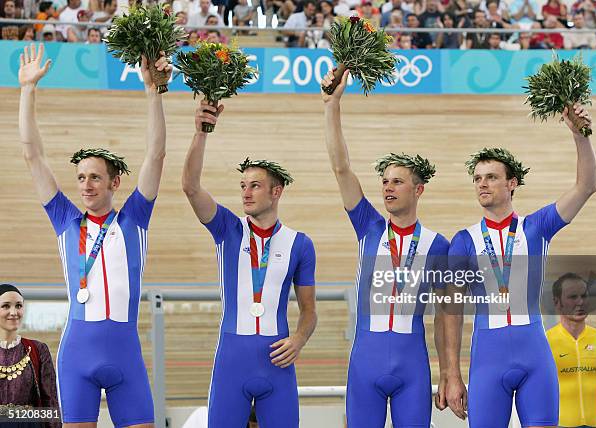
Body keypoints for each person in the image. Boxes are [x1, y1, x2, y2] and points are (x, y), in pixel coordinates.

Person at [18, 43, 171, 427]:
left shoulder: (134, 218)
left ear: (115, 182)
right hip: (77, 355)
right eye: (81, 177)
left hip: (126, 355)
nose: (86, 185)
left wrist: (153, 93)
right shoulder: (65, 219)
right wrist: (27, 90)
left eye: (95, 177)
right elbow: (33, 155)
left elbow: (155, 156)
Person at [444, 104, 596, 428]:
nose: (482, 184)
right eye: (477, 178)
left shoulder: (536, 227)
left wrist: (579, 135)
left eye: (491, 177)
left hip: (534, 355)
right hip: (487, 358)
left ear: (511, 183)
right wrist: (451, 373)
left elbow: (585, 187)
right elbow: (451, 311)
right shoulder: (463, 240)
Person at [321, 71, 449, 428]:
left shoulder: (439, 245)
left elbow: (445, 317)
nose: (388, 188)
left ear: (418, 189)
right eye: (384, 182)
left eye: (397, 182)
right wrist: (331, 104)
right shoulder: (369, 227)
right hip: (366, 361)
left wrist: (450, 371)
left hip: (413, 366)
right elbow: (340, 167)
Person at [182, 102, 317, 428]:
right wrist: (201, 133)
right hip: (232, 360)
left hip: (277, 363)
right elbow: (190, 186)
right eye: (243, 186)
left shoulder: (300, 243)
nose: (246, 192)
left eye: (255, 185)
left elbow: (310, 312)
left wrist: (298, 340)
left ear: (276, 191)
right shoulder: (228, 229)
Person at [546, 273, 596, 428]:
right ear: (557, 302)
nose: (580, 302)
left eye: (584, 296)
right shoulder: (544, 343)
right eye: (573, 297)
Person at [0, 284, 60, 428]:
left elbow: (50, 402)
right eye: (6, 306)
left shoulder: (37, 350)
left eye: (19, 306)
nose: (14, 312)